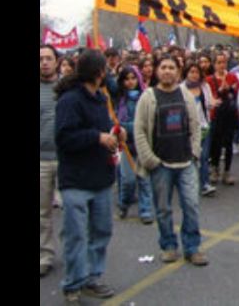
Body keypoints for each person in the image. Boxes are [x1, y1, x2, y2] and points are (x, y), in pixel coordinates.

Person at [54, 49, 121, 303]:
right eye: (106, 69)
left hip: (101, 177)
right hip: (76, 180)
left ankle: (93, 276)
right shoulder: (70, 101)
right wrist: (97, 137)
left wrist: (115, 134)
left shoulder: (100, 99)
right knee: (76, 234)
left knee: (101, 231)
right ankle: (73, 282)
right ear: (98, 72)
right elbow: (65, 137)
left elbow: (104, 130)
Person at [134, 54, 208, 266]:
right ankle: (168, 245)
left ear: (178, 71)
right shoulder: (147, 97)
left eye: (171, 67)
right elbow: (139, 131)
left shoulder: (185, 94)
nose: (167, 71)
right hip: (160, 164)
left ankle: (192, 247)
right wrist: (150, 160)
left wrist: (195, 152)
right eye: (163, 67)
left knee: (191, 206)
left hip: (186, 163)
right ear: (157, 71)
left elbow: (195, 125)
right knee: (164, 208)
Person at [114, 67, 155, 224]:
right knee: (128, 180)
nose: (130, 82)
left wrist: (133, 126)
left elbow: (148, 120)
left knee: (144, 179)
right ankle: (124, 204)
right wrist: (124, 127)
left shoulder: (146, 97)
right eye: (127, 79)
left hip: (143, 144)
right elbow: (117, 122)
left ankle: (146, 210)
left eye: (133, 78)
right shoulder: (120, 100)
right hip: (126, 146)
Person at [181, 62, 218, 197]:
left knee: (204, 156)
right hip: (188, 129)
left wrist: (214, 103)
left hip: (204, 126)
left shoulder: (204, 86)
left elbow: (209, 103)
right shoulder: (181, 89)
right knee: (191, 157)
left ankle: (205, 183)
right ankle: (189, 183)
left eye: (196, 72)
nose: (194, 75)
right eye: (191, 72)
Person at [206, 52, 239, 185]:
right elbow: (210, 97)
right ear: (214, 64)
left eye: (224, 62)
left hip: (230, 115)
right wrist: (220, 90)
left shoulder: (232, 77)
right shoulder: (209, 80)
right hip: (216, 115)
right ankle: (215, 168)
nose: (221, 65)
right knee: (216, 143)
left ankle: (227, 171)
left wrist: (231, 90)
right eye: (219, 62)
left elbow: (238, 92)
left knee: (229, 144)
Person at [40, 45, 60, 278]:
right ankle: (45, 256)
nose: (44, 63)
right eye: (41, 59)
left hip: (66, 158)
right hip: (41, 160)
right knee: (43, 212)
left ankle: (75, 257)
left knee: (74, 210)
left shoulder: (67, 88)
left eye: (48, 58)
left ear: (56, 61)